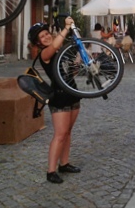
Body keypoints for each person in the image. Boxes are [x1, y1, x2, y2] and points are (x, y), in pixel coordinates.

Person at [28, 17, 82, 184]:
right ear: (38, 42)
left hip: (72, 92)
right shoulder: (45, 54)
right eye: (42, 37)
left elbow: (69, 72)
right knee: (60, 134)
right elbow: (54, 46)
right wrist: (66, 28)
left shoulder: (60, 51)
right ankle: (51, 171)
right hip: (59, 96)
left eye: (46, 34)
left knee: (67, 132)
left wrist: (77, 63)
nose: (46, 37)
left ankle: (64, 163)